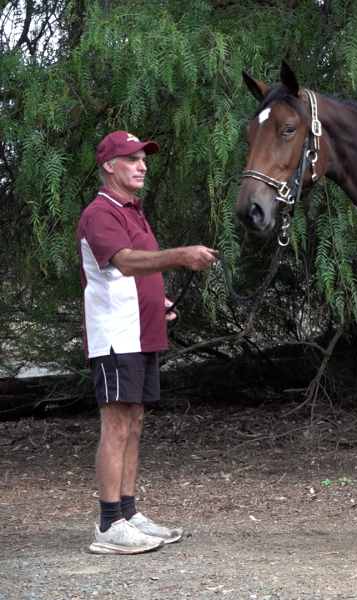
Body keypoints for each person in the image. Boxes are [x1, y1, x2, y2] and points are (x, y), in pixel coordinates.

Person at [77, 130, 217, 554]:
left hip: (141, 331)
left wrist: (161, 300)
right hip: (115, 338)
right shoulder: (101, 213)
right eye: (131, 159)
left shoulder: (133, 211)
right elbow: (125, 262)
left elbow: (132, 276)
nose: (142, 165)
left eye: (143, 158)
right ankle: (107, 525)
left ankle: (128, 512)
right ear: (109, 166)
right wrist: (180, 255)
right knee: (117, 425)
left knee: (134, 423)